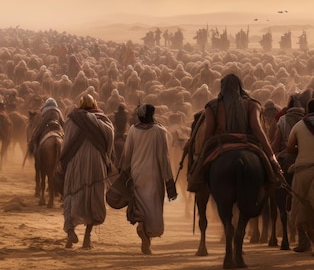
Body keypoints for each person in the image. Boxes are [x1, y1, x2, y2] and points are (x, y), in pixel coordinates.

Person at [187, 74, 283, 192]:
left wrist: (201, 154)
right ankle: (273, 178)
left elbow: (209, 132)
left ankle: (196, 181)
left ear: (222, 88)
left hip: (221, 140)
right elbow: (257, 129)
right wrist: (271, 156)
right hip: (248, 141)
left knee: (200, 168)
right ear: (240, 87)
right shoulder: (252, 104)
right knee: (269, 168)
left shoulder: (212, 106)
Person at [120, 103, 176, 255]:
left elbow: (127, 154)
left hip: (137, 175)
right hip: (154, 175)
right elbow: (164, 158)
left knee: (139, 203)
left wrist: (123, 172)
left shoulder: (132, 130)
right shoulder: (160, 131)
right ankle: (148, 236)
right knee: (153, 207)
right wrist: (169, 180)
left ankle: (141, 225)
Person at [60, 94, 114, 249]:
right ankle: (87, 238)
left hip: (75, 162)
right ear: (94, 104)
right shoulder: (103, 121)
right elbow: (109, 141)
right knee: (93, 196)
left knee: (71, 193)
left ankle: (70, 231)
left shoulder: (71, 120)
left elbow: (65, 144)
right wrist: (108, 158)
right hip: (96, 163)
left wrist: (62, 162)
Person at [285, 99, 314, 254]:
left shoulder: (299, 125)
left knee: (302, 211)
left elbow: (289, 149)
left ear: (307, 110)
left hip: (303, 171)